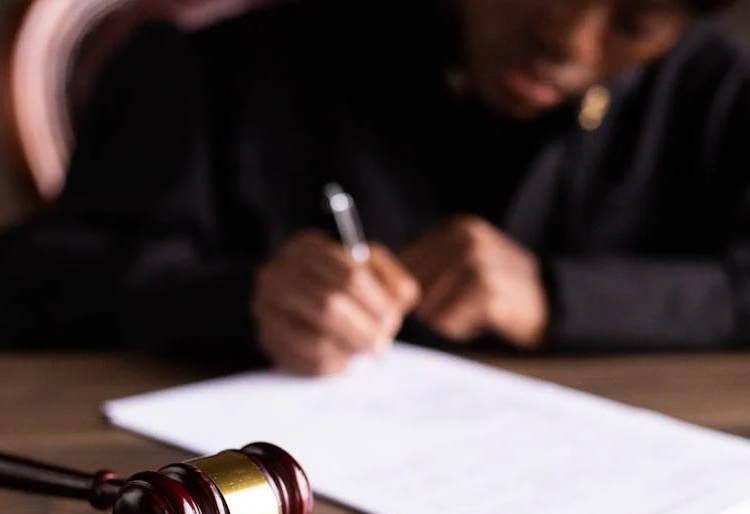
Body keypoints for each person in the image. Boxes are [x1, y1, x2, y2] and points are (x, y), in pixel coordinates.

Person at [0, 0, 747, 374]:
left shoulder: (713, 93)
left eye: (635, 22)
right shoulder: (224, 70)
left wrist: (559, 297)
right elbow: (41, 282)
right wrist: (244, 300)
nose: (568, 38)